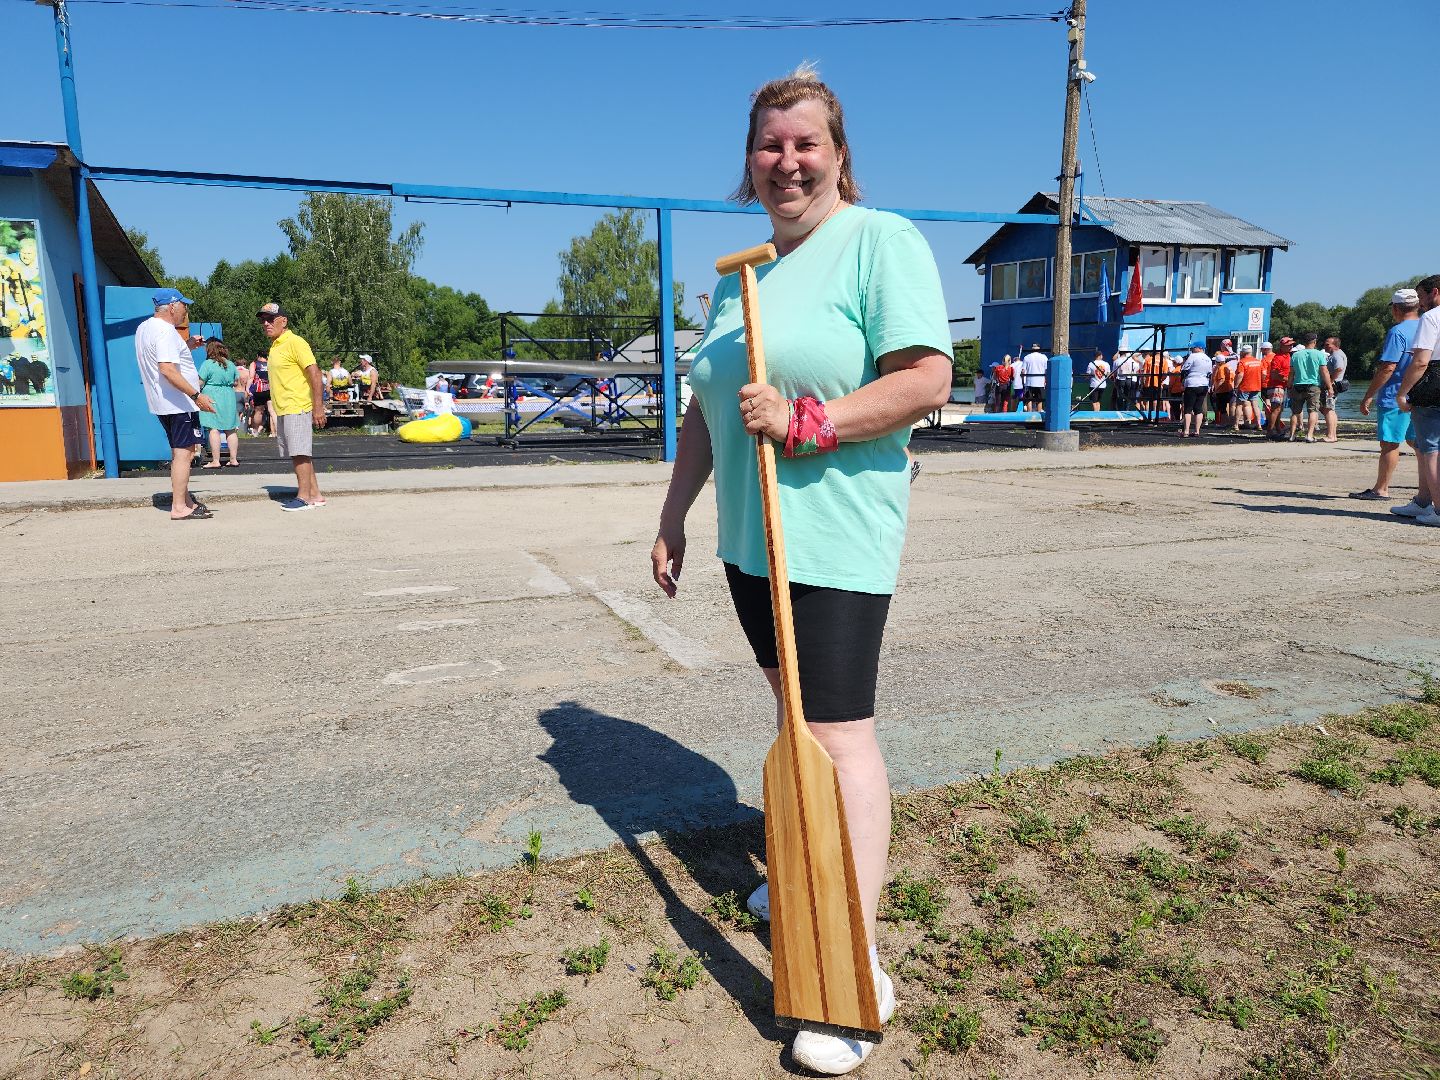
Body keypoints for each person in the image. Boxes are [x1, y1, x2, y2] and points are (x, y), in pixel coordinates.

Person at [649, 64, 952, 1075]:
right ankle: (807, 867)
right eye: (770, 144)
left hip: (832, 536)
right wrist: (673, 514)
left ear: (838, 154)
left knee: (835, 734)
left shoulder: (880, 242)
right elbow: (704, 403)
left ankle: (850, 958)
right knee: (792, 723)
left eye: (805, 142)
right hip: (749, 543)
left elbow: (926, 379)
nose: (787, 159)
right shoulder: (742, 275)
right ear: (751, 160)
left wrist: (809, 421)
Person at [134, 288, 216, 520]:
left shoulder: (145, 328)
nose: (185, 311)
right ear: (172, 306)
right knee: (184, 454)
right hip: (178, 404)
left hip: (164, 403)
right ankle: (179, 506)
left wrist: (187, 345)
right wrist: (196, 396)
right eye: (184, 306)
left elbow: (159, 357)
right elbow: (167, 369)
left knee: (183, 451)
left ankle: (185, 500)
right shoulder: (165, 331)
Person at [1353, 290, 1421, 501]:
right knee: (1419, 442)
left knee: (1390, 443)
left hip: (1395, 396)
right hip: (1422, 395)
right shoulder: (1429, 327)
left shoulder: (1398, 332)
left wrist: (1368, 396)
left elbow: (1388, 367)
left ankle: (1381, 489)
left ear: (1396, 309)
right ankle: (1427, 489)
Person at [258, 302, 327, 511]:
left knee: (299, 453)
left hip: (297, 405)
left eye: (271, 319)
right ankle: (315, 494)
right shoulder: (276, 345)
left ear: (284, 320)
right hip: (284, 407)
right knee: (300, 452)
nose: (266, 324)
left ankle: (304, 497)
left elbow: (315, 373)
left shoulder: (295, 342)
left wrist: (318, 407)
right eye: (263, 320)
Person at [1394, 275, 1440, 526]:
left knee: (1430, 450)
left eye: (1421, 297)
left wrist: (1403, 392)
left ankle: (1439, 510)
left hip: (1434, 382)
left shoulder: (1432, 318)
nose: (1420, 303)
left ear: (1435, 292)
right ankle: (1423, 501)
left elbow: (1421, 361)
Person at [196, 338, 242, 469]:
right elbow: (236, 382)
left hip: (212, 395)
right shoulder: (230, 364)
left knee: (213, 428)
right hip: (228, 395)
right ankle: (233, 459)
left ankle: (216, 461)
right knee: (231, 429)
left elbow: (200, 382)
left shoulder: (207, 364)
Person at [1287, 332, 1332, 443]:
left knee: (1295, 412)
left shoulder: (1296, 355)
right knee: (1313, 411)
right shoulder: (1319, 354)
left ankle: (1292, 435)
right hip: (1313, 385)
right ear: (1315, 342)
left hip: (1298, 385)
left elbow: (1291, 372)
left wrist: (1289, 384)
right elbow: (1324, 371)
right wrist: (1330, 386)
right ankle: (1309, 435)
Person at [1179, 344, 1212, 437]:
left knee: (1188, 408)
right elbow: (1210, 373)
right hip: (1204, 384)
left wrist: (1182, 382)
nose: (1193, 349)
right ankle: (1197, 431)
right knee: (1198, 408)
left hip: (1192, 383)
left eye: (1194, 347)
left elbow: (1184, 370)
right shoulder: (1208, 358)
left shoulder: (1193, 356)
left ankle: (1186, 431)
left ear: (1199, 348)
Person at [1232, 344, 1267, 433]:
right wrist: (1260, 381)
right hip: (1256, 386)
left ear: (1243, 352)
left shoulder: (1242, 362)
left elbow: (1240, 375)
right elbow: (1264, 373)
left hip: (1245, 386)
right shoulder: (1258, 361)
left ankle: (1236, 425)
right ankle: (1259, 424)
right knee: (1255, 405)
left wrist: (1236, 386)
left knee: (1239, 405)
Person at [1321, 336, 1348, 443]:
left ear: (1335, 345)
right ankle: (1333, 435)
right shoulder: (1337, 354)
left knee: (1328, 409)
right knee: (1330, 409)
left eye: (1327, 344)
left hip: (1333, 386)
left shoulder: (1336, 354)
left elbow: (1339, 368)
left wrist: (1330, 382)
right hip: (1335, 385)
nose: (1325, 346)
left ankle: (1331, 436)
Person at [1264, 339, 1292, 437]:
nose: (1290, 347)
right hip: (1276, 386)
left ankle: (1277, 429)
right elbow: (1274, 373)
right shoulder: (1278, 358)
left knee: (1279, 409)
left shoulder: (1287, 356)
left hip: (1281, 386)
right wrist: (1287, 380)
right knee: (1276, 409)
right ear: (1282, 346)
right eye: (1288, 345)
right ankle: (1270, 431)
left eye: (1291, 345)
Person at [1210, 344, 1237, 429]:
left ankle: (1225, 423)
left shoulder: (1221, 368)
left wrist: (1215, 390)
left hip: (1223, 390)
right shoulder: (1228, 366)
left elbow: (1221, 380)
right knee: (1230, 406)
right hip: (1229, 389)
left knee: (1222, 408)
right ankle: (1230, 422)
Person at [249, 347, 273, 437]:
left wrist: (247, 388)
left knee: (259, 411)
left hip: (259, 390)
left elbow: (251, 377)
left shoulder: (255, 364)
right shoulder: (270, 363)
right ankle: (277, 432)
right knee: (272, 411)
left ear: (257, 355)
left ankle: (255, 431)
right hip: (270, 388)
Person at [1020, 343, 1047, 412]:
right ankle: (1039, 414)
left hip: (1029, 382)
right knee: (1039, 400)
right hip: (1040, 382)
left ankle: (1029, 415)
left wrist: (1023, 382)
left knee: (1029, 399)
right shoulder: (1044, 357)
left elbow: (1023, 371)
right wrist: (1045, 380)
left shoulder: (1027, 357)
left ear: (1032, 349)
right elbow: (1046, 370)